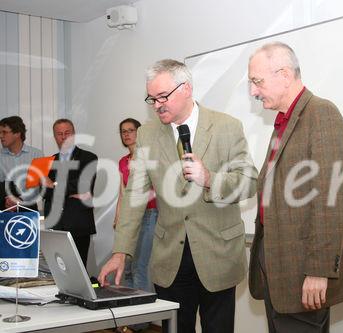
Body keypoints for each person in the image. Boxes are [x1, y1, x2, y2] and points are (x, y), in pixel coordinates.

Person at [98, 59, 257, 333]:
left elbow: (249, 183)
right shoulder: (147, 134)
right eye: (152, 98)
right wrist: (121, 251)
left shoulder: (226, 127)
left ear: (186, 89)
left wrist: (209, 179)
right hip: (170, 258)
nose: (157, 104)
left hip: (218, 256)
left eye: (163, 97)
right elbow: (135, 195)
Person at [247, 42, 343, 333]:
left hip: (303, 271)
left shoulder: (321, 114)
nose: (253, 91)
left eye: (256, 81)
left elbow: (332, 199)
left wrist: (319, 270)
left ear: (285, 75)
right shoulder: (283, 124)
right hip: (278, 268)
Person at [115, 118, 158, 332]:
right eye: (123, 131)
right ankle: (128, 317)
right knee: (128, 269)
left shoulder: (149, 157)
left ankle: (139, 322)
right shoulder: (123, 161)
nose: (127, 134)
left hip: (150, 214)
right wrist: (119, 218)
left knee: (140, 267)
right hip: (130, 219)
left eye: (131, 130)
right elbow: (123, 193)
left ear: (139, 133)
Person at [42, 119, 98, 269]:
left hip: (78, 225)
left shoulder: (89, 157)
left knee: (78, 270)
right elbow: (43, 192)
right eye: (59, 134)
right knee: (56, 271)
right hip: (54, 226)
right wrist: (68, 190)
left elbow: (82, 184)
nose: (63, 137)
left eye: (67, 133)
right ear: (55, 137)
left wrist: (53, 184)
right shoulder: (48, 161)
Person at [0, 116, 42, 211]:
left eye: (4, 132)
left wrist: (19, 200)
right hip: (4, 205)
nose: (1, 136)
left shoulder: (37, 154)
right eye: (0, 132)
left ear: (17, 133)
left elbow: (38, 186)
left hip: (28, 205)